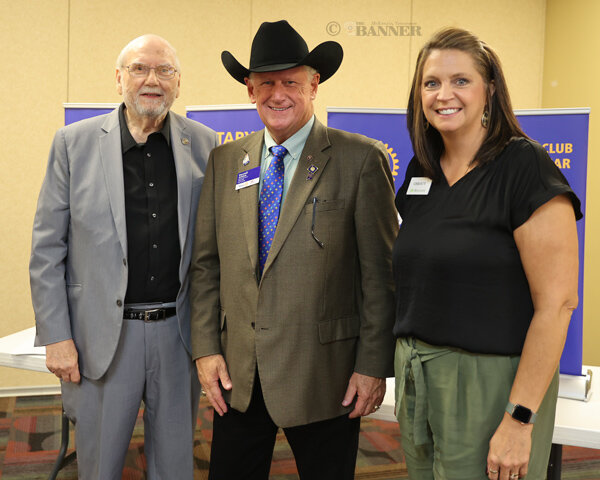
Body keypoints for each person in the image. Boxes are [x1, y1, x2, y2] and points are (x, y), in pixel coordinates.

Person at [189, 20, 398, 480]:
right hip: (238, 376)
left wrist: (372, 366)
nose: (277, 94)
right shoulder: (226, 162)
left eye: (290, 82)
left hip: (326, 376)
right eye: (266, 83)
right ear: (249, 90)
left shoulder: (360, 160)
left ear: (314, 84)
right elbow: (206, 267)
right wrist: (206, 349)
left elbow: (379, 276)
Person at [393, 27, 582, 480]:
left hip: (490, 385)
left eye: (461, 81)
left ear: (489, 90)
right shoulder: (422, 168)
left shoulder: (525, 166)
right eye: (431, 82)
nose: (444, 94)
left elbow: (557, 305)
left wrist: (519, 420)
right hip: (419, 379)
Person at [29, 34, 218, 479]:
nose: (152, 80)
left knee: (174, 467)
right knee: (99, 466)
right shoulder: (72, 144)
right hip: (102, 340)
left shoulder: (206, 145)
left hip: (179, 334)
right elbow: (46, 248)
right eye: (139, 69)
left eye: (164, 70)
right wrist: (56, 335)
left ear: (178, 83)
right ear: (119, 79)